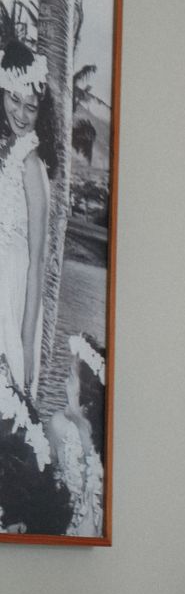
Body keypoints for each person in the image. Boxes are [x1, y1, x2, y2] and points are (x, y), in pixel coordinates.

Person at [0, 61, 50, 398]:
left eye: (30, 106)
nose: (20, 113)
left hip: (12, 294)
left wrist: (28, 343)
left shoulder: (32, 166)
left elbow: (38, 264)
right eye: (14, 100)